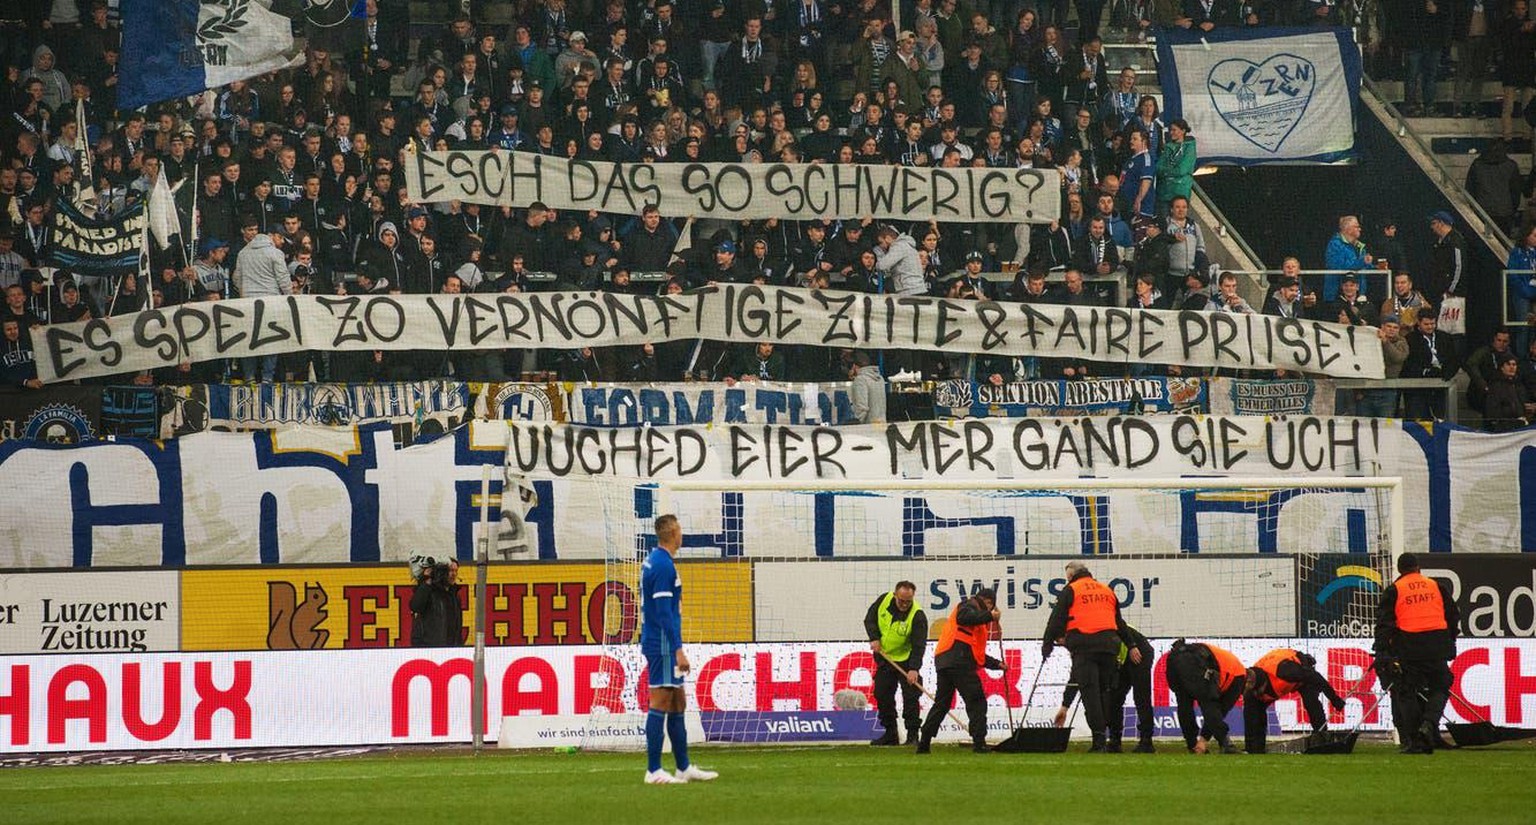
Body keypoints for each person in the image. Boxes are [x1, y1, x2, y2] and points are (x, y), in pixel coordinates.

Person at [641, 514, 718, 784]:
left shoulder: (656, 560)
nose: (681, 534)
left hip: (661, 640)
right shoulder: (663, 566)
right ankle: (653, 770)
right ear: (674, 532)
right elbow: (663, 612)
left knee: (677, 702)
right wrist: (677, 649)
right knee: (660, 700)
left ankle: (683, 767)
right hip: (662, 643)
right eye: (680, 529)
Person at [1041, 561, 1136, 752]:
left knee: (1090, 694)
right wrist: (1131, 644)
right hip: (1110, 646)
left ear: (1070, 577)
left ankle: (1099, 741)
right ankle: (1111, 736)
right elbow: (1119, 621)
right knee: (1104, 692)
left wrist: (1047, 644)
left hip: (1084, 646)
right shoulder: (1106, 590)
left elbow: (1056, 618)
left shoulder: (1071, 590)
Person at [1373, 552, 1458, 754]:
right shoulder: (1436, 586)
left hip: (1409, 647)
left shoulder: (1395, 590)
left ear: (1400, 570)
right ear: (1418, 567)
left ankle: (1414, 740)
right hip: (1437, 645)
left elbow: (1384, 624)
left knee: (1406, 691)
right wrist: (1450, 639)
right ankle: (1429, 724)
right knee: (1441, 685)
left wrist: (1383, 650)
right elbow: (1453, 615)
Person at [916, 587, 1005, 754]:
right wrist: (989, 616)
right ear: (988, 602)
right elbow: (964, 617)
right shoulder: (969, 605)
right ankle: (979, 743)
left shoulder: (974, 620)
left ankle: (924, 741)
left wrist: (997, 664)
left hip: (945, 662)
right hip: (960, 663)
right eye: (990, 606)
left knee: (942, 704)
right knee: (976, 701)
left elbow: (976, 653)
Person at [1055, 622, 1155, 753]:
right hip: (1120, 659)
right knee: (1114, 698)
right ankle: (1115, 741)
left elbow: (1120, 628)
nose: (1064, 646)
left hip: (1139, 652)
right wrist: (1065, 706)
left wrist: (1132, 647)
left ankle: (1146, 741)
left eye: (1062, 642)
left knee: (1141, 698)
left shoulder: (1089, 633)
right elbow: (1077, 676)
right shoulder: (1082, 641)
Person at [1242, 649, 1347, 754]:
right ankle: (1255, 748)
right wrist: (1250, 747)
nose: (1257, 695)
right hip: (1280, 671)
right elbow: (1250, 719)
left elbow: (1317, 678)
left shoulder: (1286, 672)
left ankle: (1321, 737)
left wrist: (1334, 699)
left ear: (1264, 685)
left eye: (1259, 692)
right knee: (1253, 712)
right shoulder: (1249, 690)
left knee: (1311, 702)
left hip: (1300, 669)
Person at [863, 580, 928, 746]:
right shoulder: (883, 600)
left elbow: (919, 645)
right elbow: (869, 619)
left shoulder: (917, 615)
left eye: (908, 601)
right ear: (894, 595)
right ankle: (890, 733)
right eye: (901, 601)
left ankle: (913, 735)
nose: (905, 604)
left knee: (911, 697)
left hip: (906, 661)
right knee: (882, 694)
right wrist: (874, 638)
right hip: (886, 659)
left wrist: (914, 669)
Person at [1165, 639, 1245, 754]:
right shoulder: (1239, 678)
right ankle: (1225, 744)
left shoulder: (1233, 666)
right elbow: (1218, 711)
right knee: (1209, 703)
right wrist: (1204, 739)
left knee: (1184, 704)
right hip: (1194, 662)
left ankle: (1192, 744)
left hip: (1174, 659)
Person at [408, 556, 462, 647]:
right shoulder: (429, 591)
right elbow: (415, 606)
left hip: (450, 648)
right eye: (450, 571)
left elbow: (457, 625)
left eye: (456, 571)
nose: (454, 574)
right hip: (428, 648)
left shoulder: (454, 595)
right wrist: (427, 580)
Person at [849, 350, 887, 423]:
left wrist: (856, 425)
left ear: (854, 366)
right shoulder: (879, 378)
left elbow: (861, 408)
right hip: (881, 424)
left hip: (868, 427)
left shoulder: (860, 380)